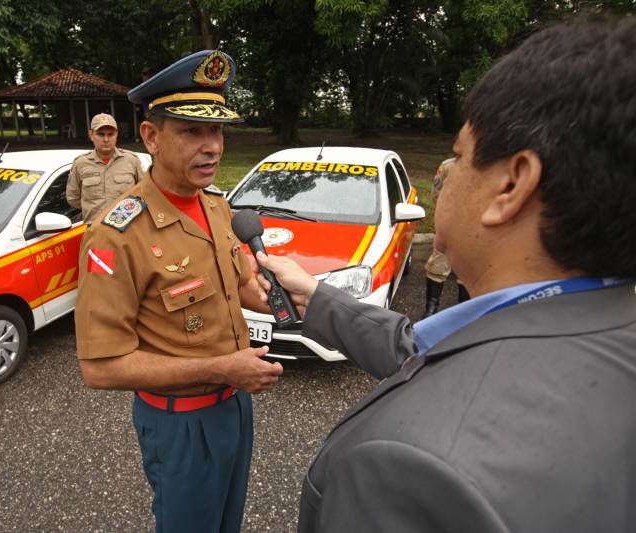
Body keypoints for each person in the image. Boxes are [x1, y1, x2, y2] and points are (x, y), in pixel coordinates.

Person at [255, 15, 636, 533]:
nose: (443, 182)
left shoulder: (409, 468)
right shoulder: (600, 323)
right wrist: (315, 296)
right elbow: (426, 348)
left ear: (511, 186)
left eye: (458, 156)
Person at [74, 50, 283, 533]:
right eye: (192, 132)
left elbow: (242, 288)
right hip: (180, 423)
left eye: (217, 131)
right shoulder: (116, 233)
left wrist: (289, 298)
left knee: (226, 522)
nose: (212, 147)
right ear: (151, 137)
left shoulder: (215, 207)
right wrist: (221, 367)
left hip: (235, 403)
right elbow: (99, 368)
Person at [66, 112, 146, 224]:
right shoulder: (80, 163)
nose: (106, 139)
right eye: (101, 134)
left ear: (116, 135)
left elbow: (145, 191)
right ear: (91, 135)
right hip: (95, 229)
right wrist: (92, 208)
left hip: (128, 227)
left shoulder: (131, 160)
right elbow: (73, 198)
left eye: (110, 134)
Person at [421, 157, 469, 318]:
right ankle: (431, 309)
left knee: (468, 269)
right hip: (450, 224)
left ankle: (465, 313)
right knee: (438, 264)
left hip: (477, 228)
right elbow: (437, 195)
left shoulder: (494, 164)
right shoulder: (450, 166)